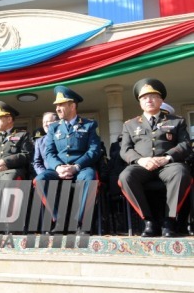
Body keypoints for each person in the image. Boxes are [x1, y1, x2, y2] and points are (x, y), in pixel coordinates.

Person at [119, 78, 192, 237]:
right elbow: (125, 150)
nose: (149, 100)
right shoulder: (130, 124)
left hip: (168, 165)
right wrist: (140, 160)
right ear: (140, 103)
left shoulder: (176, 121)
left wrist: (167, 158)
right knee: (125, 176)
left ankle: (169, 221)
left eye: (153, 96)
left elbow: (185, 144)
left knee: (181, 172)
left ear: (161, 100)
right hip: (142, 166)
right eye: (144, 98)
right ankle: (149, 221)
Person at [33, 87, 101, 231]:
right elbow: (49, 153)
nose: (57, 108)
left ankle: (81, 223)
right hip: (59, 169)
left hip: (81, 168)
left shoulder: (89, 125)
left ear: (72, 105)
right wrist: (58, 167)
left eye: (61, 105)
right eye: (56, 105)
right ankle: (59, 220)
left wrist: (76, 166)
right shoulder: (53, 128)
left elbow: (94, 151)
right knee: (40, 179)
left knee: (90, 177)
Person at [32, 112, 59, 177]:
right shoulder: (39, 141)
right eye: (43, 122)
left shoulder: (65, 137)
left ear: (57, 122)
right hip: (47, 175)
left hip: (65, 174)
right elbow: (37, 163)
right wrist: (44, 174)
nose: (45, 124)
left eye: (47, 121)